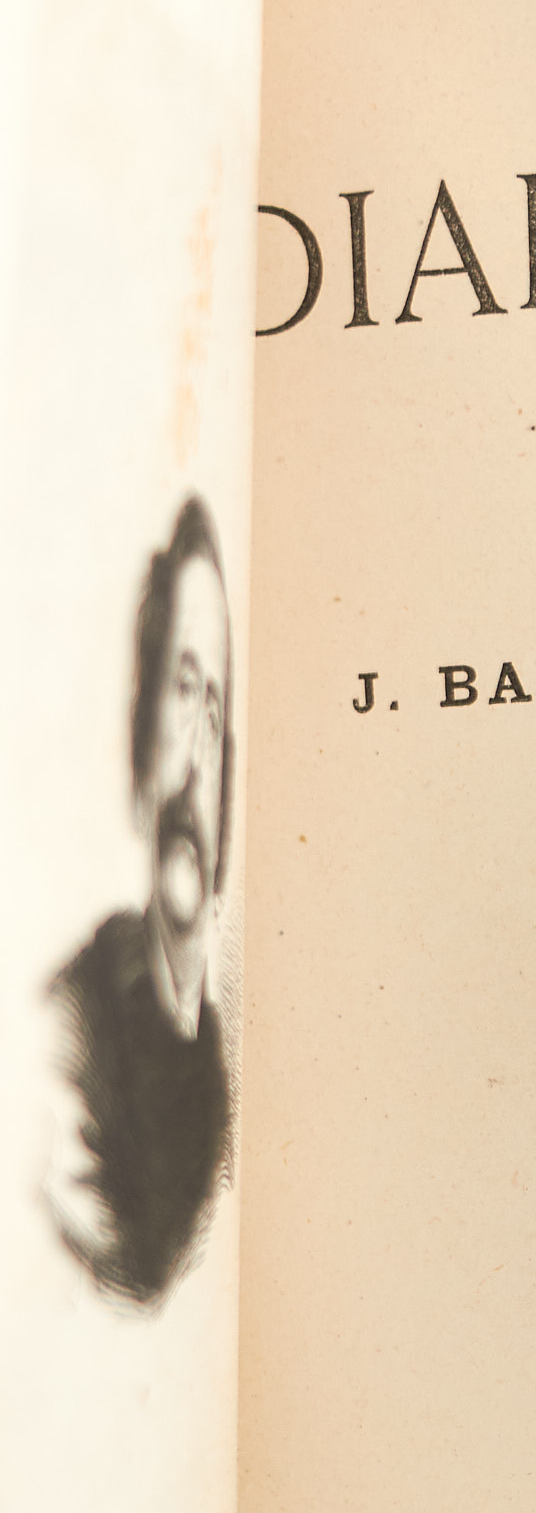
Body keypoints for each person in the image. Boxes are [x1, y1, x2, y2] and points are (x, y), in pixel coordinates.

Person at [46, 497, 234, 1305]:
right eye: (182, 688)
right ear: (138, 748)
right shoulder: (69, 1038)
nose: (196, 748)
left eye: (216, 708)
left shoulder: (215, 1075)